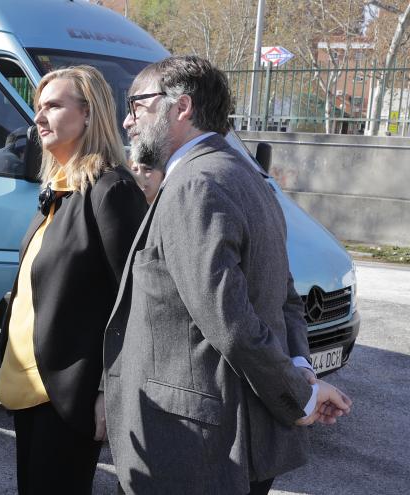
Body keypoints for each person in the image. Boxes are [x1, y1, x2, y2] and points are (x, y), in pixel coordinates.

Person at [101, 55, 352, 495]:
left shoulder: (195, 185)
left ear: (181, 108)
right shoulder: (247, 175)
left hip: (195, 451)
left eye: (136, 105)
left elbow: (230, 321)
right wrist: (299, 370)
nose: (126, 121)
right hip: (229, 444)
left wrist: (300, 395)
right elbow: (284, 296)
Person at [0, 65, 147, 495]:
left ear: (88, 114)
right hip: (29, 390)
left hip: (68, 397)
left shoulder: (111, 190)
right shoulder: (60, 191)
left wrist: (105, 389)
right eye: (38, 107)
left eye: (54, 106)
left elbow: (135, 300)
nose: (39, 117)